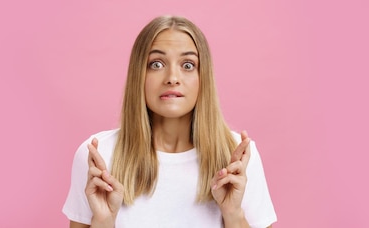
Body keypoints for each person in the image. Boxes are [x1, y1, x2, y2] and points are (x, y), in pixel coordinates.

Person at [62, 15, 277, 228]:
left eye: (188, 65)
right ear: (139, 75)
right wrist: (103, 221)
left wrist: (234, 214)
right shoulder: (99, 157)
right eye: (156, 64)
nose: (173, 77)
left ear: (203, 77)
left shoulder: (236, 157)